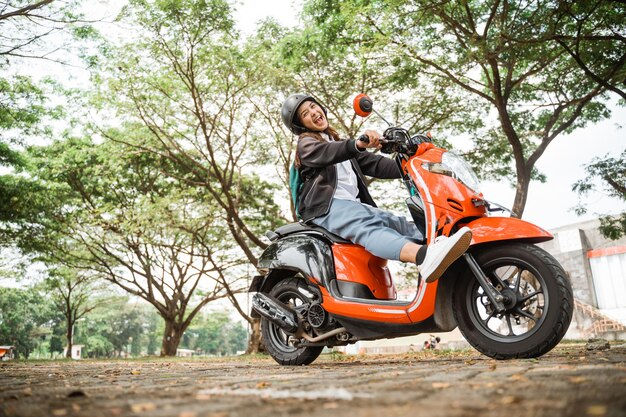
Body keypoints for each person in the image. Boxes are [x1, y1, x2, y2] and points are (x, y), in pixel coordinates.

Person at [281, 93, 472, 283]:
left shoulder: (336, 142)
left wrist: (413, 166)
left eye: (313, 106)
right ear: (301, 125)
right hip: (326, 208)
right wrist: (357, 144)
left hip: (351, 206)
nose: (313, 113)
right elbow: (328, 153)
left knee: (400, 224)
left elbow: (377, 165)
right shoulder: (307, 144)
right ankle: (423, 257)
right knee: (370, 229)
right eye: (306, 114)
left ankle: (444, 248)